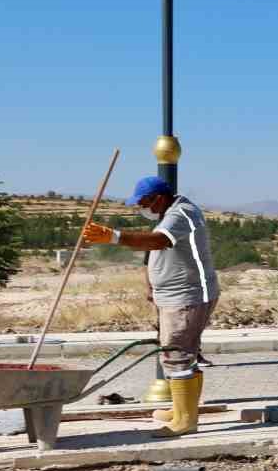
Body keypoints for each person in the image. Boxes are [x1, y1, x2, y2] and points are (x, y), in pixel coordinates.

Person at [82, 175, 218, 438]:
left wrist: (114, 237)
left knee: (177, 355)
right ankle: (182, 408)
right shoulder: (168, 214)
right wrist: (151, 284)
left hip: (187, 296)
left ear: (159, 198)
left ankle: (185, 419)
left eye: (144, 203)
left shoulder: (182, 214)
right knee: (182, 353)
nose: (141, 208)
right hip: (173, 297)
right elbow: (154, 252)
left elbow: (158, 242)